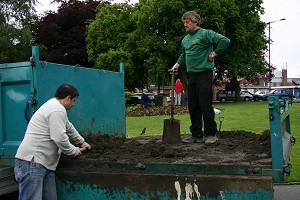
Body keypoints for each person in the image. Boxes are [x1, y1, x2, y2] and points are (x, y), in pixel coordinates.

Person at [14, 84, 91, 200]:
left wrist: (81, 142)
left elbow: (68, 127)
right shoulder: (56, 109)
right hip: (33, 162)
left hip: (43, 164)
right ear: (67, 98)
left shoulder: (55, 107)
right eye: (74, 101)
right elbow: (59, 137)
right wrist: (72, 151)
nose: (74, 104)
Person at [171, 11, 230, 144]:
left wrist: (214, 54)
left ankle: (211, 134)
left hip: (204, 74)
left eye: (187, 22)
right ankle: (196, 135)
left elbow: (224, 41)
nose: (185, 25)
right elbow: (184, 55)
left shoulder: (205, 34)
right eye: (184, 22)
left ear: (195, 21)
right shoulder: (185, 39)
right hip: (191, 76)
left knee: (205, 104)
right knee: (193, 105)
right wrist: (177, 65)